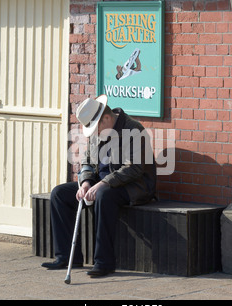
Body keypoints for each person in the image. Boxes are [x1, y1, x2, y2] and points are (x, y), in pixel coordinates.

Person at [41, 94, 156, 277]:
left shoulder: (134, 130)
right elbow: (87, 161)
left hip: (133, 186)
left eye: (96, 128)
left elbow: (134, 168)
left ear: (107, 118)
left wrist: (103, 184)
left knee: (104, 196)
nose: (94, 134)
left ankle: (103, 262)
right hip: (100, 182)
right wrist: (86, 182)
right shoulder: (99, 132)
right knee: (59, 194)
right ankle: (66, 256)